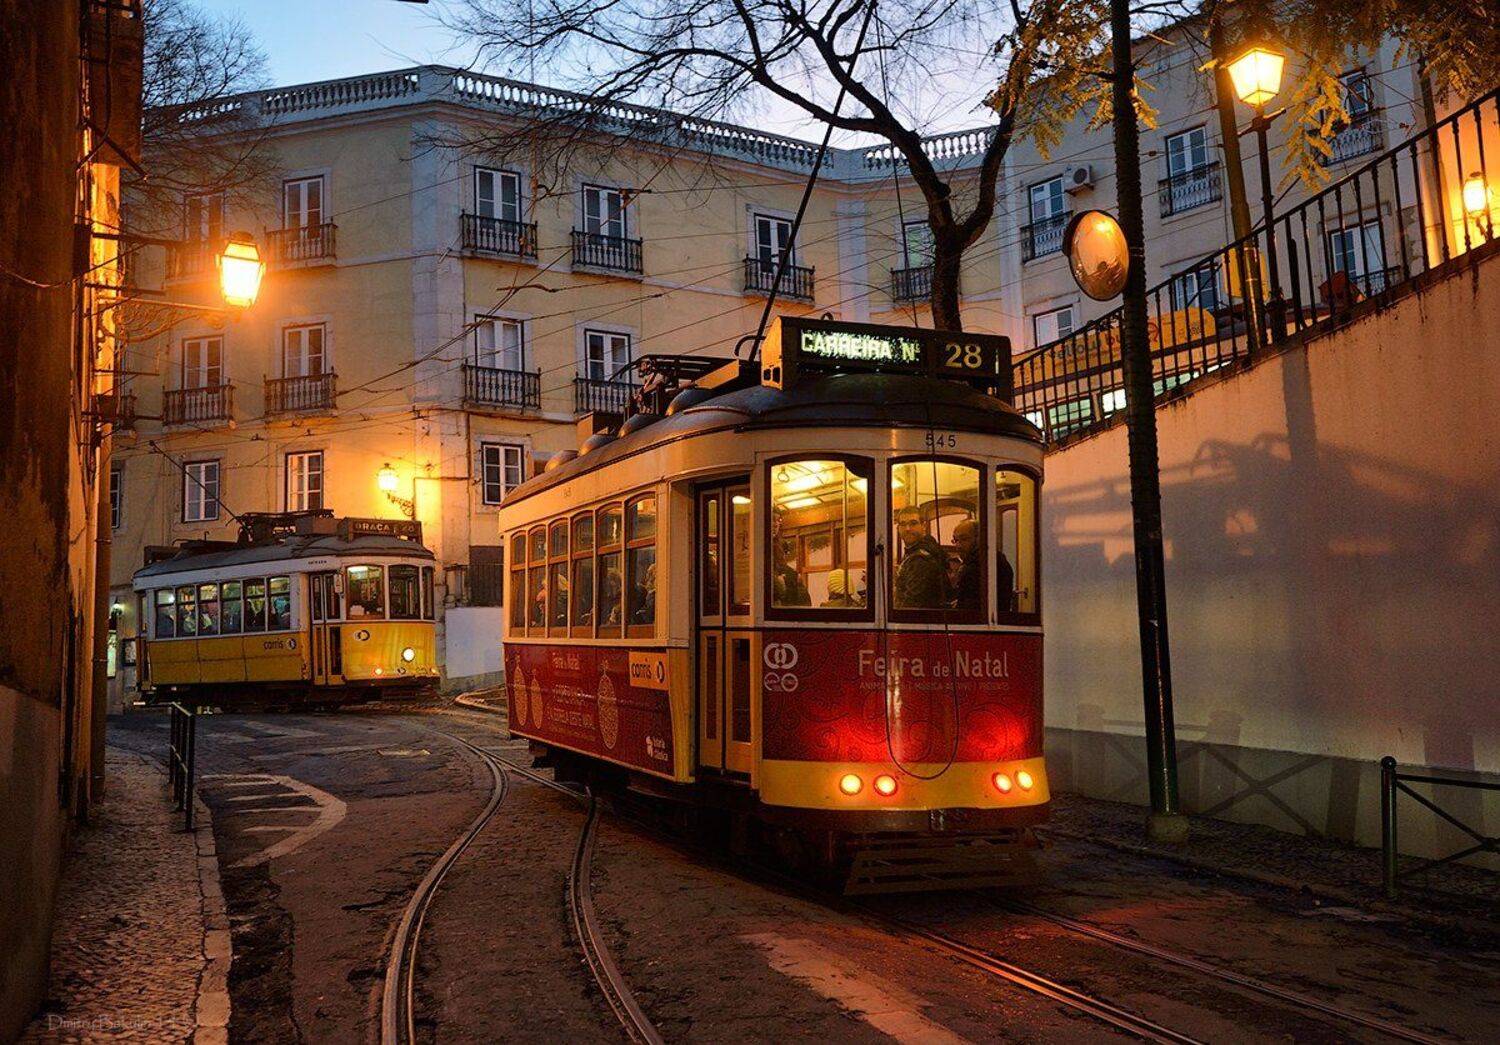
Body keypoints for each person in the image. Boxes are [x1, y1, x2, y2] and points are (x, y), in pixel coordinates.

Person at [893, 506, 946, 609]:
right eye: (903, 524)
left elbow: (910, 605)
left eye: (913, 523)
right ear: (898, 528)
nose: (907, 529)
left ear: (924, 526)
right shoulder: (913, 552)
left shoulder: (921, 559)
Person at [771, 510, 810, 607]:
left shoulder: (779, 544)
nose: (776, 524)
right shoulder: (761, 547)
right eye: (772, 519)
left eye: (778, 520)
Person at [951, 517, 983, 611]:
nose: (958, 545)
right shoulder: (971, 563)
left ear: (979, 538)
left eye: (964, 539)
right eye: (955, 540)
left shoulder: (979, 566)